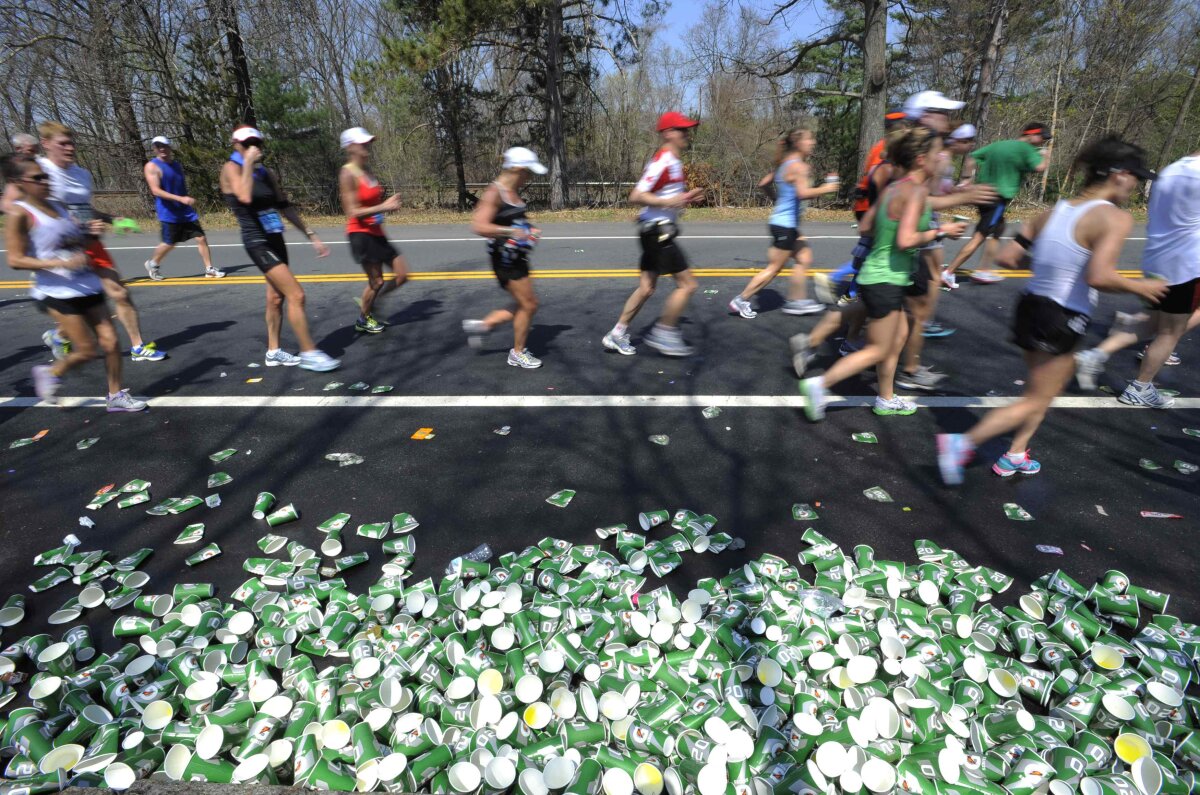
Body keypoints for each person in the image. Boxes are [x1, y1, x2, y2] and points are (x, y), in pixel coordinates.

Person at [937, 137, 1166, 484]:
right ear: (1119, 174)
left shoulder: (1052, 211)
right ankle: (961, 445)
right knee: (1036, 398)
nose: (1135, 186)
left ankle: (1016, 453)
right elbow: (1100, 276)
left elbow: (1008, 258)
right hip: (1061, 315)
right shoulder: (1113, 218)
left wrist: (1054, 264)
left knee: (1041, 390)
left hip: (1030, 305)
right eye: (1136, 177)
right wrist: (1141, 286)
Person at [798, 127, 966, 421]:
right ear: (920, 159)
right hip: (884, 280)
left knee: (899, 335)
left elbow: (866, 227)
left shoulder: (894, 188)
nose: (941, 159)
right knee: (877, 348)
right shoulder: (913, 191)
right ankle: (819, 386)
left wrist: (890, 234)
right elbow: (906, 240)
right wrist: (942, 230)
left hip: (885, 276)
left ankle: (886, 398)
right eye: (936, 154)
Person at [3, 154, 146, 412]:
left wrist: (91, 233)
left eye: (45, 176)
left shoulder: (58, 206)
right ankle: (51, 371)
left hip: (86, 283)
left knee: (112, 342)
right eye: (37, 178)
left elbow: (77, 240)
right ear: (19, 182)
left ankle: (115, 396)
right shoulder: (20, 214)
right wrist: (58, 264)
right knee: (87, 350)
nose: (44, 181)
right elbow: (15, 260)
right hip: (57, 290)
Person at [1073, 149, 1200, 406]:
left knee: (1154, 321)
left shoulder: (1173, 169)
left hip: (1156, 258)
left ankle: (1096, 354)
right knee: (1169, 332)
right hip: (1187, 265)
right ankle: (1141, 388)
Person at [37, 121, 166, 362]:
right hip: (62, 248)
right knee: (79, 306)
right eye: (62, 143)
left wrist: (113, 219)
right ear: (45, 144)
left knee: (119, 293)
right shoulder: (40, 173)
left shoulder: (82, 174)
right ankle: (60, 335)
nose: (69, 148)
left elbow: (86, 209)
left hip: (91, 243)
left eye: (71, 143)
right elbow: (39, 212)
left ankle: (138, 347)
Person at [219, 125, 340, 371]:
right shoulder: (231, 169)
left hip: (275, 239)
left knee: (276, 298)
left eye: (258, 143)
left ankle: (273, 352)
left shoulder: (266, 173)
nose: (255, 148)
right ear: (236, 146)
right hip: (257, 241)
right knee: (297, 295)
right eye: (248, 143)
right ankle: (309, 353)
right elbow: (243, 197)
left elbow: (285, 206)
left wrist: (311, 234)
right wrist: (248, 163)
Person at [601, 111, 705, 357]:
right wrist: (670, 201)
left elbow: (662, 200)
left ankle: (617, 333)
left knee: (647, 288)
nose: (686, 134)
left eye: (687, 130)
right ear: (668, 133)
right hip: (658, 233)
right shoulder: (663, 160)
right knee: (688, 285)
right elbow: (636, 195)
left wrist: (685, 199)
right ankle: (664, 332)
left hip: (654, 229)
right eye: (682, 130)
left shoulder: (674, 163)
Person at [728, 127, 838, 319]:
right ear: (798, 143)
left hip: (783, 224)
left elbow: (763, 183)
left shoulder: (783, 164)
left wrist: (777, 200)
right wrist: (827, 188)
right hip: (785, 226)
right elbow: (802, 193)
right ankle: (742, 299)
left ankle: (797, 300)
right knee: (774, 268)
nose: (812, 143)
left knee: (804, 257)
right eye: (809, 139)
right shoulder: (799, 167)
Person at [462, 147, 546, 368]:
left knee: (526, 303)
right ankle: (517, 353)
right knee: (529, 304)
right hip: (504, 260)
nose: (529, 176)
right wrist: (509, 232)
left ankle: (482, 325)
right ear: (517, 168)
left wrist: (530, 229)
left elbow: (515, 220)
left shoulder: (513, 191)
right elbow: (478, 225)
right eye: (528, 171)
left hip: (516, 256)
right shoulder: (494, 193)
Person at [944, 122, 1050, 286]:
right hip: (996, 199)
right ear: (1031, 135)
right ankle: (949, 272)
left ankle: (983, 269)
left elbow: (972, 158)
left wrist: (967, 179)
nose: (1043, 142)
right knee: (979, 237)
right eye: (1042, 138)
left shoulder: (1000, 144)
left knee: (999, 228)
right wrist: (1046, 155)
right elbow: (1040, 167)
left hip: (983, 195)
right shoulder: (1026, 149)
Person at [338, 127, 409, 334]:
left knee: (402, 274)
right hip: (360, 234)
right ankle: (363, 318)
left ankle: (372, 305)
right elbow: (352, 211)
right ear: (351, 147)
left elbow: (372, 203)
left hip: (377, 232)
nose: (368, 146)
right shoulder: (347, 173)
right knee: (377, 281)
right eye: (363, 143)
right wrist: (384, 207)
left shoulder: (367, 171)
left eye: (368, 142)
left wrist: (388, 206)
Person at [142, 136, 223, 279]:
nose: (162, 149)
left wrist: (186, 200)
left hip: (185, 211)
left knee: (201, 237)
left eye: (164, 146)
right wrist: (180, 199)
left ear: (169, 147)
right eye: (158, 146)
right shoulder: (152, 166)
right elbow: (155, 191)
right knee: (169, 243)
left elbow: (180, 187)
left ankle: (209, 269)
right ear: (154, 148)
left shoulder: (176, 165)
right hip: (168, 212)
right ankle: (153, 263)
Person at [1, 133, 38, 215]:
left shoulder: (39, 164)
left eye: (35, 151)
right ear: (18, 149)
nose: (34, 155)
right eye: (31, 151)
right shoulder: (14, 170)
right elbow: (6, 203)